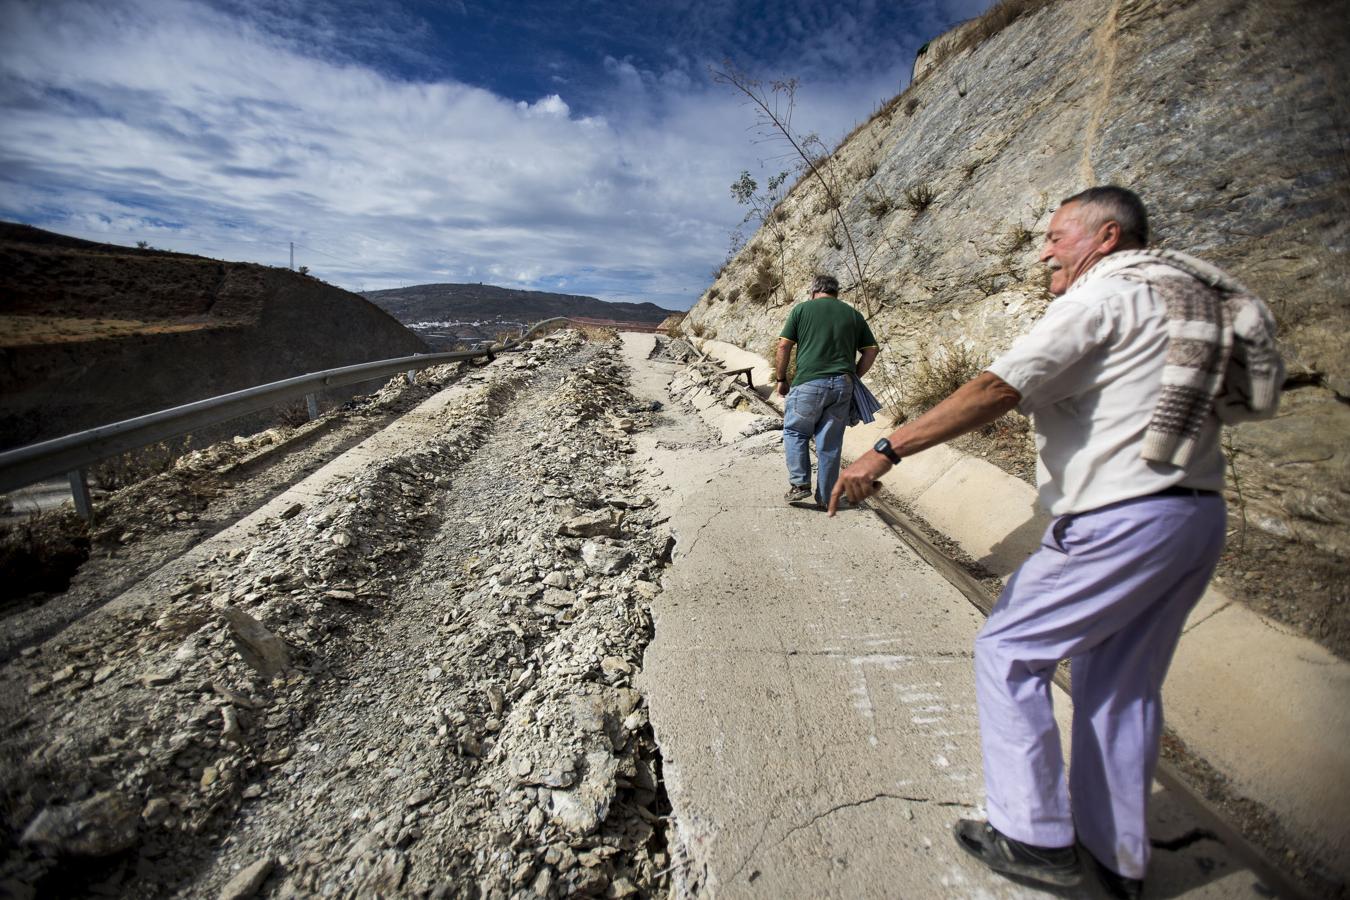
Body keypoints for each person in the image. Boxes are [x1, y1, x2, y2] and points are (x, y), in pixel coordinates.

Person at [829, 186, 1282, 897]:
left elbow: (998, 388)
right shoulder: (1181, 297)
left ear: (1105, 238)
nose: (1045, 249)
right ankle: (1117, 857)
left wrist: (886, 447)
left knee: (1010, 649)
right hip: (1193, 517)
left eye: (1057, 235)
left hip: (1121, 516)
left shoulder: (1104, 296)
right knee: (1120, 687)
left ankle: (1032, 836)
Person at [775, 274, 880, 508]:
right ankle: (825, 497)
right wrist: (852, 376)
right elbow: (871, 350)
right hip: (843, 385)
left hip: (809, 382)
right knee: (829, 444)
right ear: (836, 293)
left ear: (814, 291)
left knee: (795, 432)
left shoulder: (802, 310)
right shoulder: (853, 314)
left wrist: (781, 378)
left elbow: (784, 346)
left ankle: (800, 484)